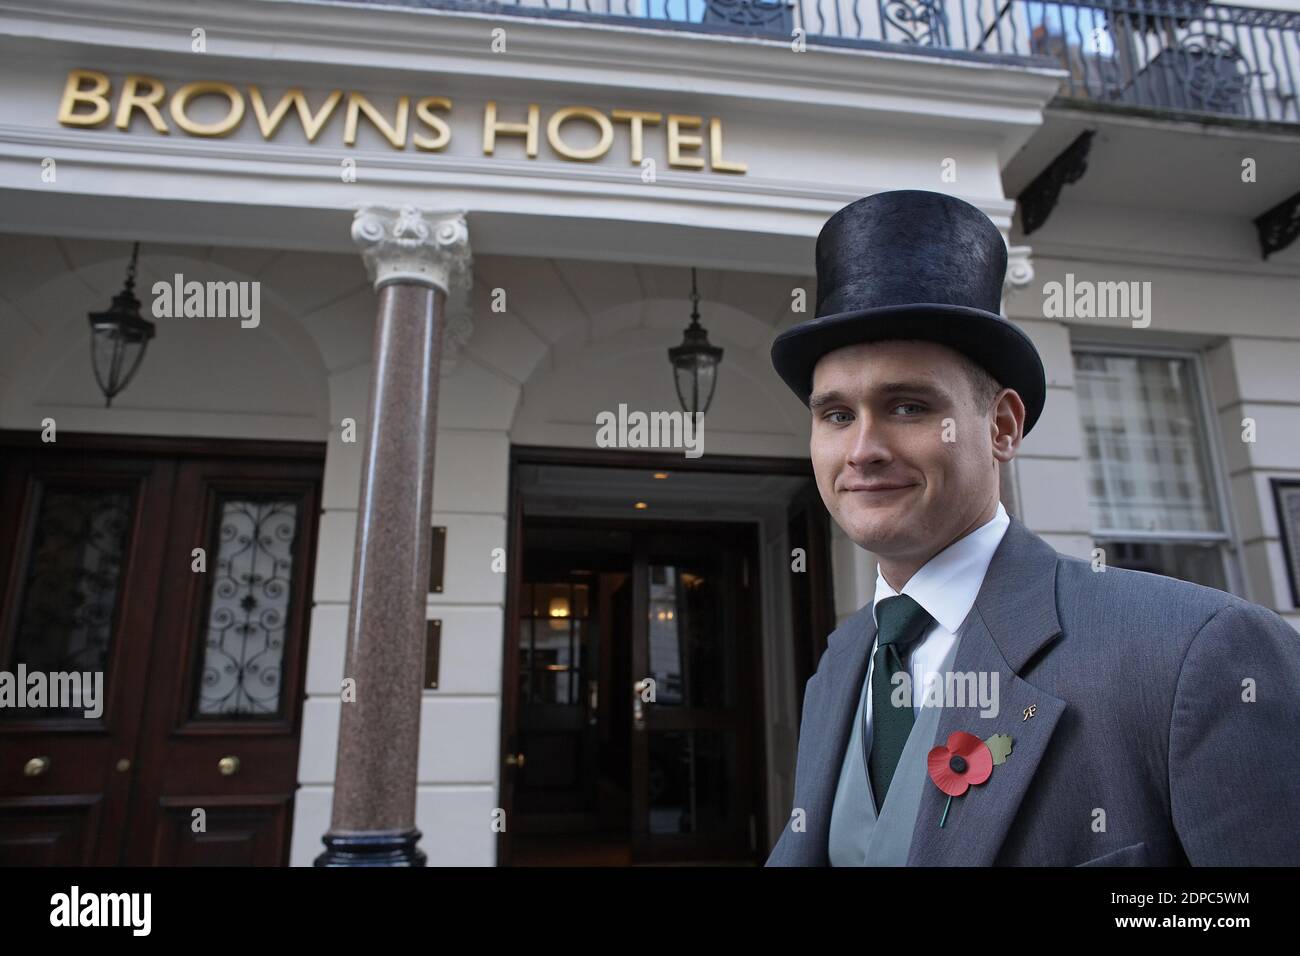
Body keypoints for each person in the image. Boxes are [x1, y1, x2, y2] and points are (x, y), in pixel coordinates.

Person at [764, 189, 1300, 866]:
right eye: (836, 415)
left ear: (1003, 426)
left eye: (908, 406)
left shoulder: (1199, 654)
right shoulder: (841, 661)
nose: (863, 448)